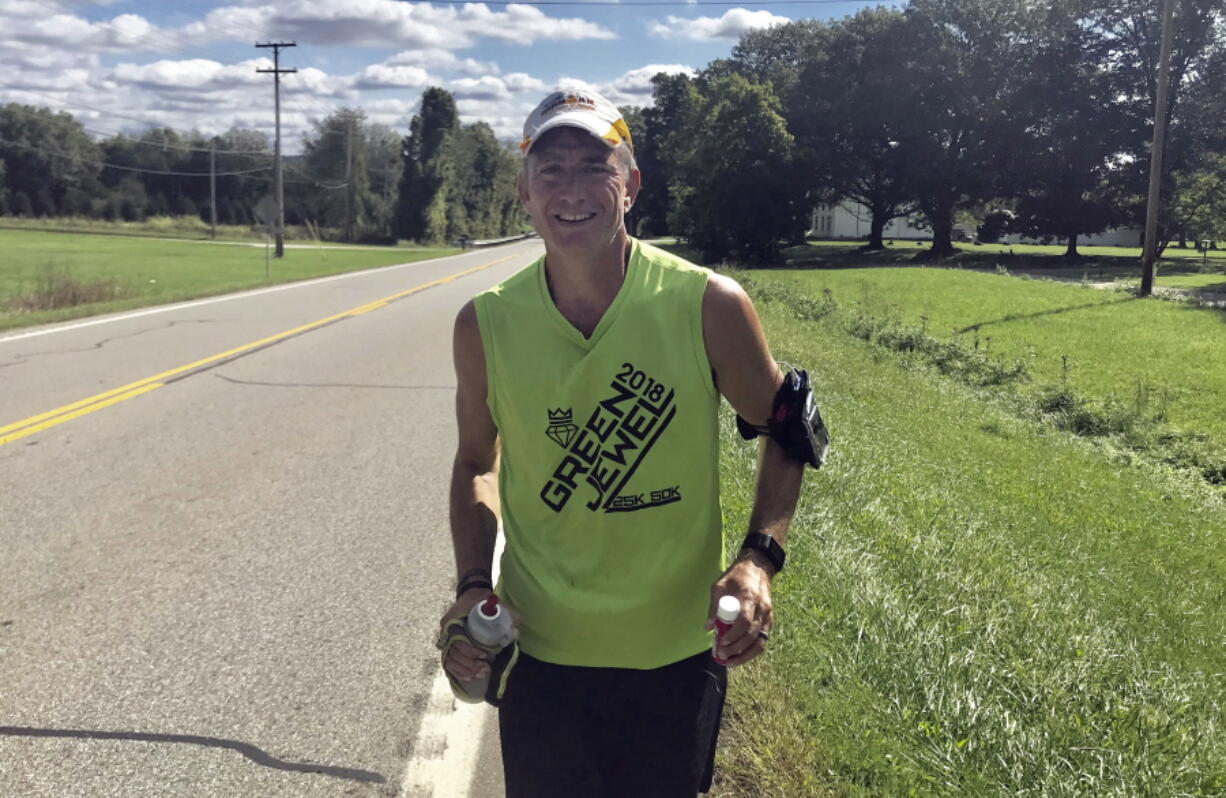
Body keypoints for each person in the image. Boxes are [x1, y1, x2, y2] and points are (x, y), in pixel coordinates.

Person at [438, 84, 825, 797]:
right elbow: (474, 463)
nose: (572, 188)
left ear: (632, 183)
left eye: (595, 165)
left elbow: (791, 424)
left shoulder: (706, 303)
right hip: (543, 656)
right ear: (525, 192)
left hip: (675, 655)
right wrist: (470, 585)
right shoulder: (486, 324)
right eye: (550, 169)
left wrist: (759, 558)